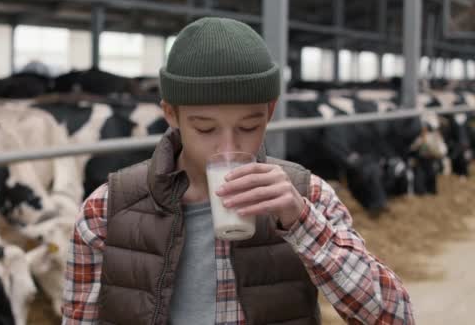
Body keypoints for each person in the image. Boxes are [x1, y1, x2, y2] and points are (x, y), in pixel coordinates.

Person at [61, 17, 414, 325]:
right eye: (205, 128)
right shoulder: (106, 211)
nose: (228, 149)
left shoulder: (309, 196)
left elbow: (395, 317)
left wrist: (302, 224)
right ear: (171, 113)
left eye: (248, 127)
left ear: (270, 111)